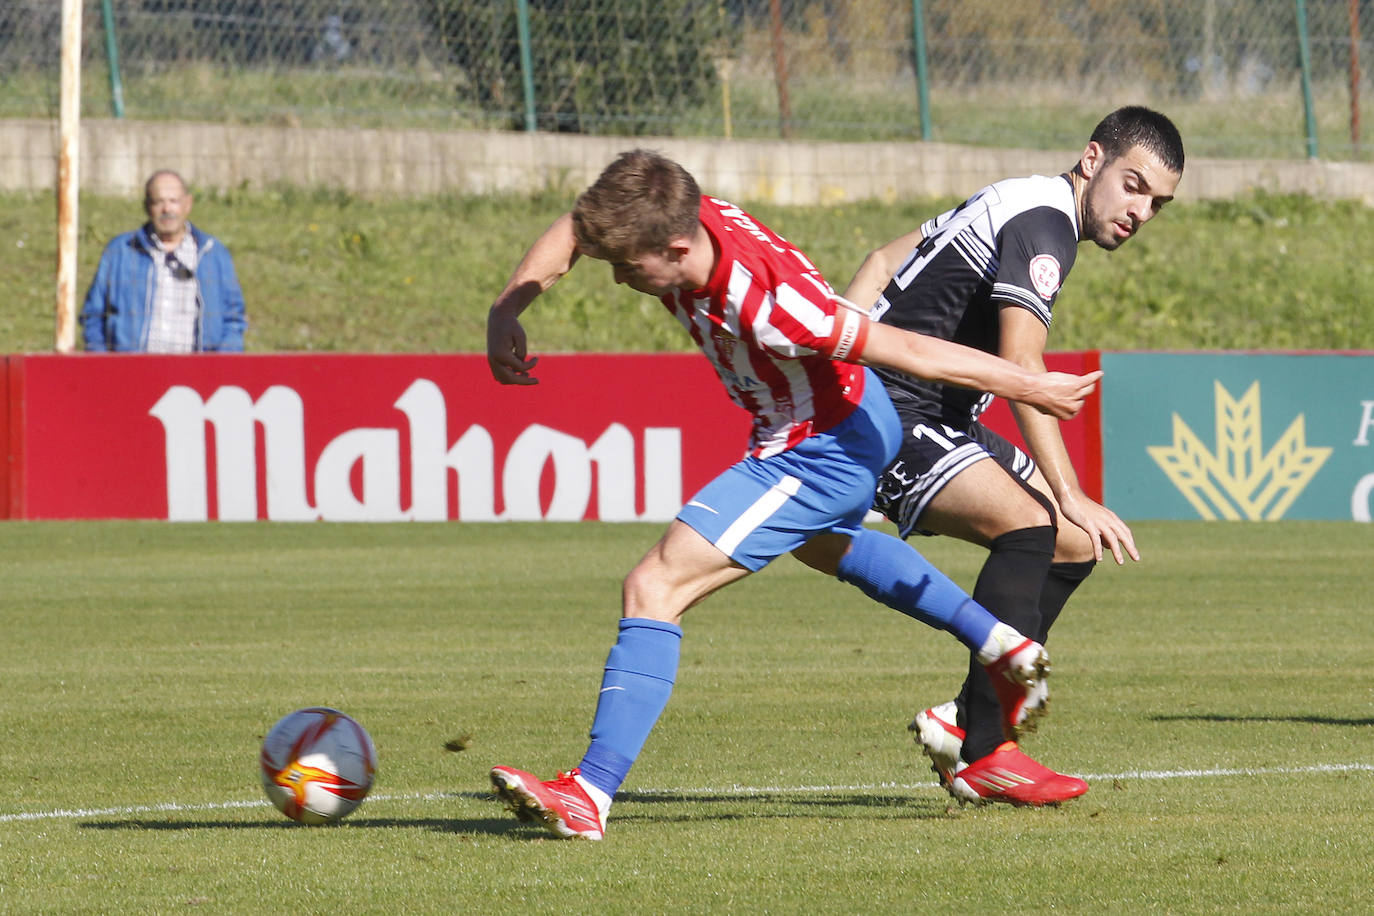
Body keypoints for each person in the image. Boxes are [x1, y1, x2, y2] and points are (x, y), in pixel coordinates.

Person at [484, 149, 1104, 839]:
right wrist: (509, 306)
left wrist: (1031, 385)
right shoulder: (678, 210)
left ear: (678, 247)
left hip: (822, 447)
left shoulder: (775, 305)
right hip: (830, 421)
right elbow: (578, 227)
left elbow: (908, 350)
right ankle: (998, 642)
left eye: (631, 267)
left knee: (654, 586)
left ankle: (588, 793)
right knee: (825, 545)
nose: (621, 277)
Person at [841, 106, 1184, 806]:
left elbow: (879, 262)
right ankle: (987, 752)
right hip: (894, 414)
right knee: (1032, 526)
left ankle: (966, 721)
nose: (1141, 212)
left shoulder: (1019, 197)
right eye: (1134, 186)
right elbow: (1023, 367)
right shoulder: (1045, 224)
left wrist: (838, 351)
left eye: (1158, 202)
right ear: (1093, 159)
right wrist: (1071, 492)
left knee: (1073, 545)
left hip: (937, 414)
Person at [81, 170, 247, 353]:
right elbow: (93, 316)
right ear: (147, 207)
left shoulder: (213, 254)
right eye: (158, 202)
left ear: (188, 204)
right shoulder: (120, 251)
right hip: (132, 366)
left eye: (174, 201)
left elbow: (234, 319)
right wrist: (104, 362)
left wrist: (220, 365)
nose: (167, 209)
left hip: (196, 368)